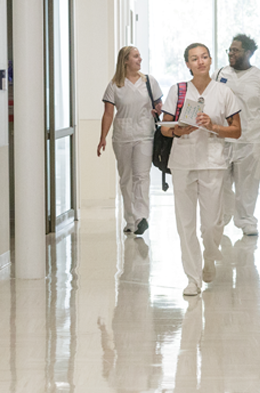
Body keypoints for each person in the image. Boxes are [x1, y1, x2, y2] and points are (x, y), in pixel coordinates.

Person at [160, 43, 241, 296]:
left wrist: (214, 126)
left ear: (210, 60)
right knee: (185, 224)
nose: (200, 62)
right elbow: (163, 127)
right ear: (187, 64)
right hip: (183, 162)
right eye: (194, 58)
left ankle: (210, 254)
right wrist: (178, 130)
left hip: (212, 163)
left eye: (204, 57)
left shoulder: (224, 91)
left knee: (211, 224)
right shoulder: (178, 90)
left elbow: (236, 130)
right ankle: (192, 278)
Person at [212, 34, 260, 236]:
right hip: (222, 137)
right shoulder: (220, 73)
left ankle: (246, 221)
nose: (231, 53)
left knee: (247, 185)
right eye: (229, 50)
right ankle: (223, 216)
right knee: (219, 182)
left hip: (251, 139)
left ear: (248, 53)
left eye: (235, 50)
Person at [98, 46, 162, 235]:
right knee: (126, 178)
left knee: (141, 176)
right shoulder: (114, 85)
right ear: (125, 60)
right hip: (122, 137)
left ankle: (141, 217)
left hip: (144, 135)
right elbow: (108, 114)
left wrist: (158, 110)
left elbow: (160, 106)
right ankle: (130, 219)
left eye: (139, 56)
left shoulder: (149, 82)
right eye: (135, 56)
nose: (139, 59)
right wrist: (102, 137)